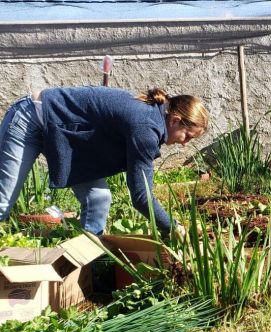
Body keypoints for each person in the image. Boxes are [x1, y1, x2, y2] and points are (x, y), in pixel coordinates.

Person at [0, 86, 208, 235]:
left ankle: (88, 268)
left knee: (98, 198)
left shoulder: (151, 119)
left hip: (60, 132)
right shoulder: (146, 127)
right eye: (187, 136)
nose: (184, 144)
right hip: (30, 119)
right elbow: (141, 196)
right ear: (175, 121)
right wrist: (173, 227)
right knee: (2, 204)